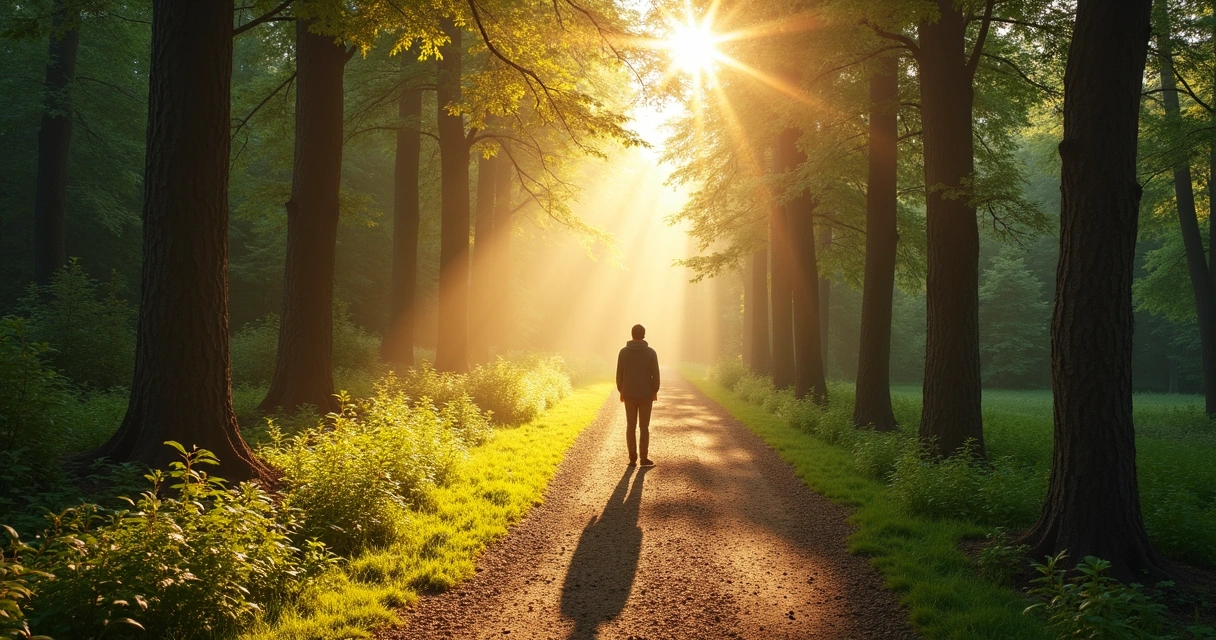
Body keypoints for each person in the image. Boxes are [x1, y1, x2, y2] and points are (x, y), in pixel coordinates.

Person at [616, 324, 660, 467]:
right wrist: (654, 390)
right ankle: (644, 458)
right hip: (646, 394)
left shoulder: (623, 352)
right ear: (644, 335)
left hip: (628, 394)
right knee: (644, 427)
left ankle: (632, 458)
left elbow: (619, 375)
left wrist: (621, 391)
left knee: (630, 425)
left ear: (632, 334)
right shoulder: (651, 353)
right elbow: (656, 374)